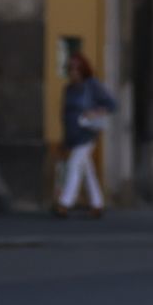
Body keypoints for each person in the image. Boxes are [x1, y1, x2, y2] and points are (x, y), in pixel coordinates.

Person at [56, 44, 114, 217]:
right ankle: (97, 203)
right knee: (87, 169)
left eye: (76, 69)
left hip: (87, 133)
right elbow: (65, 114)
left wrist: (95, 112)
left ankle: (65, 202)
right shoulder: (69, 90)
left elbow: (111, 104)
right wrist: (64, 138)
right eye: (70, 69)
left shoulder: (92, 85)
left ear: (83, 70)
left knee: (74, 165)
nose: (72, 72)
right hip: (73, 134)